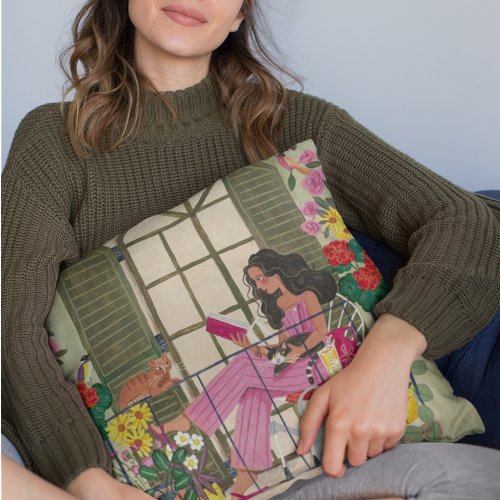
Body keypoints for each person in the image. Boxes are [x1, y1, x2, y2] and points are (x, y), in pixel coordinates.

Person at [2, 1, 499, 499]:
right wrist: (90, 482)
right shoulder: (53, 142)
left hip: (332, 448)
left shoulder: (297, 122)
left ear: (240, 14)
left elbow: (470, 223)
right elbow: (10, 321)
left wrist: (386, 360)